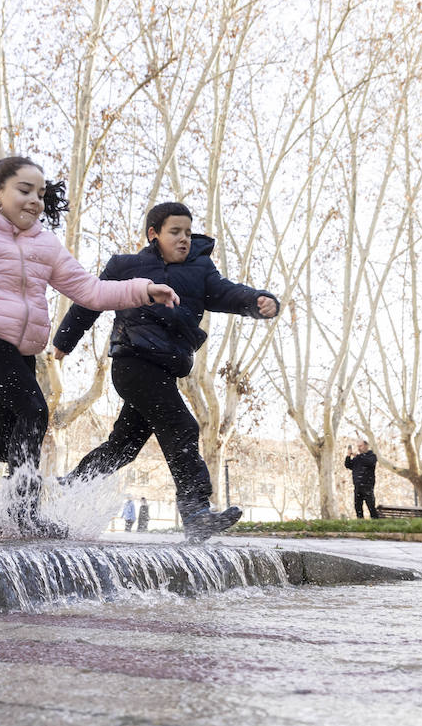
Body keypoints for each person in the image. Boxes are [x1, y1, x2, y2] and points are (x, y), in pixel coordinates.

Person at [0, 156, 180, 538]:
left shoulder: (44, 245)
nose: (35, 201)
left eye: (42, 194)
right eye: (25, 190)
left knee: (6, 444)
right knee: (34, 410)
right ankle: (22, 515)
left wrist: (143, 290)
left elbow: (91, 290)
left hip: (21, 354)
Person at [52, 202, 279, 542]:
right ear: (153, 234)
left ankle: (68, 487)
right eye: (175, 232)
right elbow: (90, 300)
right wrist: (65, 341)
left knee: (124, 447)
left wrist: (258, 300)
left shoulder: (200, 270)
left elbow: (229, 294)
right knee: (182, 426)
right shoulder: (127, 266)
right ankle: (195, 510)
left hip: (164, 371)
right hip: (133, 362)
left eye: (188, 232)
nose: (184, 238)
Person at [344, 440, 378, 519]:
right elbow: (348, 465)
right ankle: (360, 522)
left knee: (371, 506)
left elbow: (369, 463)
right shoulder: (358, 458)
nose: (359, 448)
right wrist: (348, 456)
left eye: (360, 446)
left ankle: (375, 521)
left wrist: (359, 456)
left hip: (367, 485)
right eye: (358, 446)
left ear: (366, 446)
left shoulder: (372, 456)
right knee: (358, 506)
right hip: (357, 486)